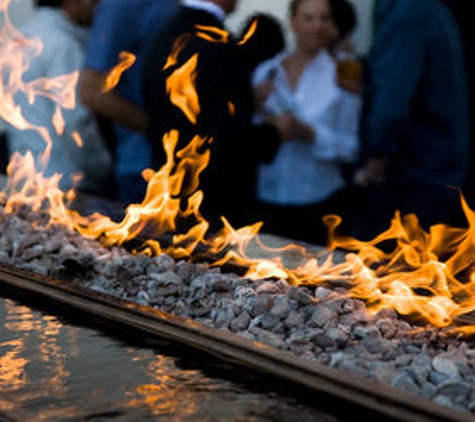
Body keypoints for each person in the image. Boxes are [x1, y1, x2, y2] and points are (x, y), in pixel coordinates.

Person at [142, 0, 298, 232]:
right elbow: (223, 137)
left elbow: (179, 113)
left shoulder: (163, 33)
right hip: (212, 203)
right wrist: (274, 133)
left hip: (167, 190)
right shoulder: (219, 45)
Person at [351, 0, 470, 240]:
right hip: (435, 172)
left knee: (390, 272)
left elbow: (393, 97)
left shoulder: (409, 13)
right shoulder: (431, 10)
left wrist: (376, 157)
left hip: (412, 178)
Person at [251, 0, 361, 246]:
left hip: (320, 204)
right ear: (293, 22)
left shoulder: (342, 76)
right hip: (268, 197)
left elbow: (352, 147)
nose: (317, 25)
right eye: (309, 18)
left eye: (324, 18)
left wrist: (311, 134)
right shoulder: (266, 72)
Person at [2, 0, 113, 196]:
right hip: (65, 183)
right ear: (70, 2)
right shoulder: (63, 43)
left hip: (24, 179)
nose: (96, 6)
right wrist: (103, 167)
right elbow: (75, 121)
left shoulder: (18, 38)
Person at [79, 0, 179, 206]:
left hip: (186, 165)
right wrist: (160, 129)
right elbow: (92, 91)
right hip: (143, 168)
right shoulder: (121, 6)